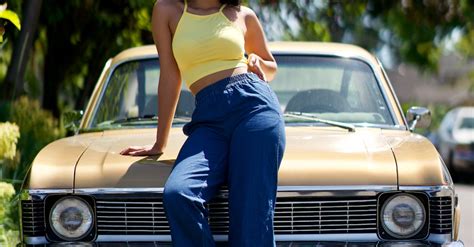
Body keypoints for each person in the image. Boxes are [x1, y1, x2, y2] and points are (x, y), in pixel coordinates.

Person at [120, 0, 285, 246]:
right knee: (179, 194)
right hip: (208, 120)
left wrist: (259, 64)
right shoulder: (167, 10)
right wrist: (159, 142)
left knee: (251, 215)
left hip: (255, 108)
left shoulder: (242, 15)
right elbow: (170, 74)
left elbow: (270, 67)